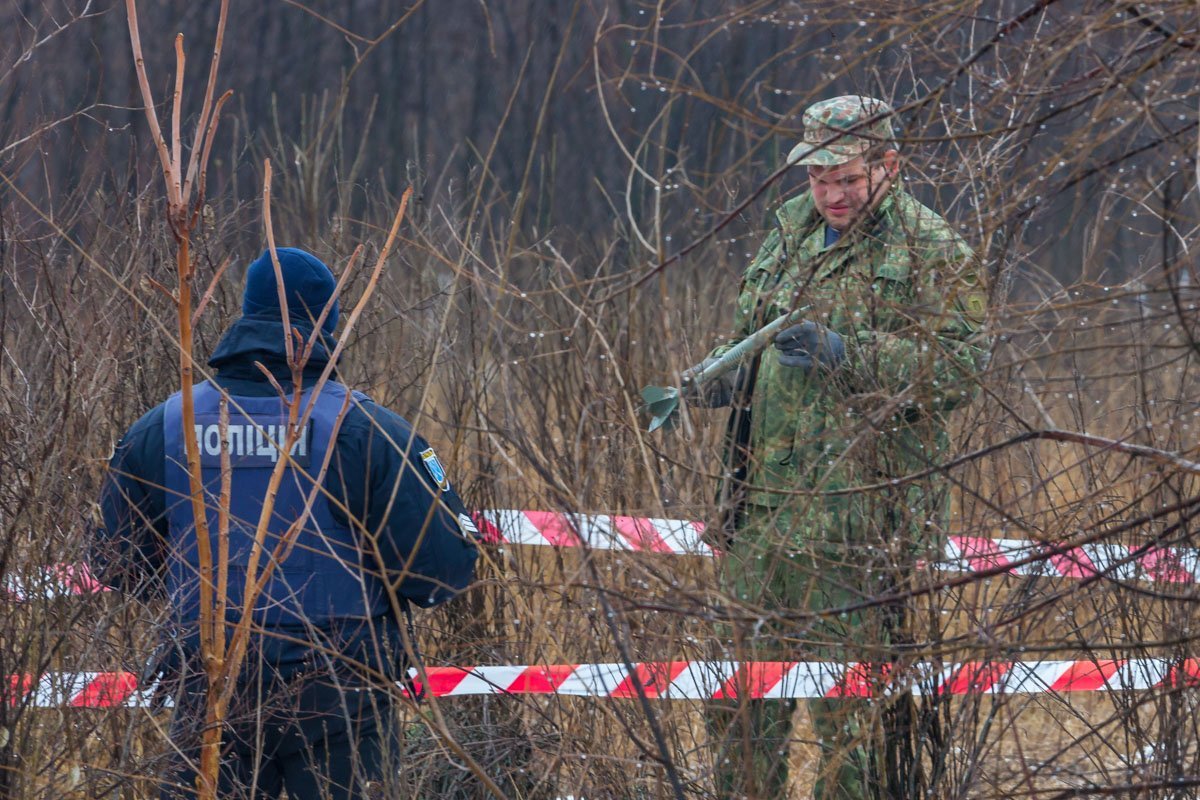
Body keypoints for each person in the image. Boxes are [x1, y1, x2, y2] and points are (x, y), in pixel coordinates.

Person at [92, 247, 479, 799]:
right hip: (341, 708)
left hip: (210, 701)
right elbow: (441, 571)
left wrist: (195, 591)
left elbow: (116, 563)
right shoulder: (365, 429)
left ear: (246, 316)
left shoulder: (164, 427)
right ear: (327, 322)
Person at [694, 96, 989, 798]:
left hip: (861, 528)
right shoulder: (788, 234)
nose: (831, 194)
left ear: (889, 166)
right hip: (760, 515)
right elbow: (752, 334)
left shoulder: (929, 247)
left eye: (848, 178)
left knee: (849, 733)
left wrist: (846, 353)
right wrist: (724, 378)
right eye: (818, 177)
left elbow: (957, 372)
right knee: (737, 709)